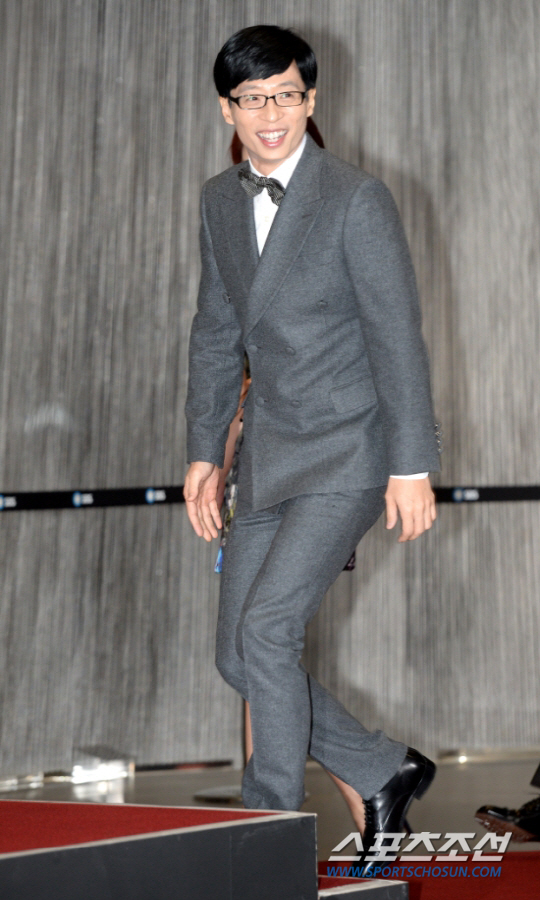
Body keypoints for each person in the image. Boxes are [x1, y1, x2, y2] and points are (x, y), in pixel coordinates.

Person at [184, 25, 441, 868]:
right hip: (266, 460)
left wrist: (411, 466)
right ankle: (383, 767)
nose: (272, 114)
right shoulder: (219, 201)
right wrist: (204, 453)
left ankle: (269, 839)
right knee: (237, 654)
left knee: (267, 630)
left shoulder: (355, 198)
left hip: (347, 453)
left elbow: (397, 338)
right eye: (253, 98)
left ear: (311, 100)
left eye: (287, 96)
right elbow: (216, 334)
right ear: (228, 108)